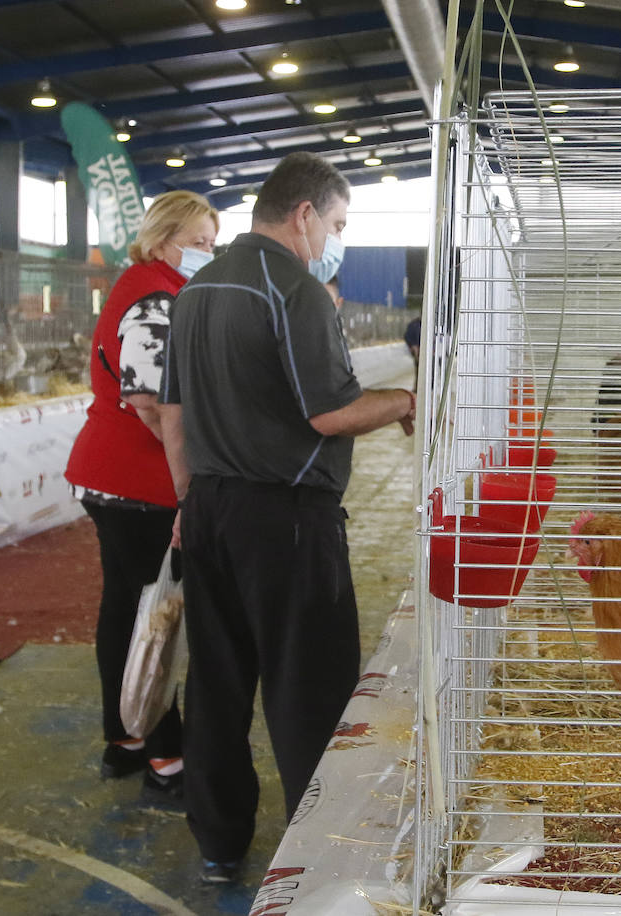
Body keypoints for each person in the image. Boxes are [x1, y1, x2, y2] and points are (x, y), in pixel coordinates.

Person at [159, 151, 415, 885]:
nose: (335, 238)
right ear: (304, 215)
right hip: (286, 517)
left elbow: (173, 415)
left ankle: (219, 843)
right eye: (336, 223)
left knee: (217, 681)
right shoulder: (293, 288)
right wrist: (407, 400)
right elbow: (330, 412)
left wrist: (187, 501)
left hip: (209, 508)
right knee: (308, 686)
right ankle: (320, 851)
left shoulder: (196, 290)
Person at [64, 190, 219, 806]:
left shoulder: (152, 287)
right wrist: (188, 481)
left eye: (211, 243)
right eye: (197, 242)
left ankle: (125, 738)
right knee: (155, 619)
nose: (206, 252)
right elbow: (151, 401)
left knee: (127, 607)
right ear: (161, 239)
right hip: (137, 481)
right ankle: (164, 752)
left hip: (114, 477)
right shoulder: (154, 297)